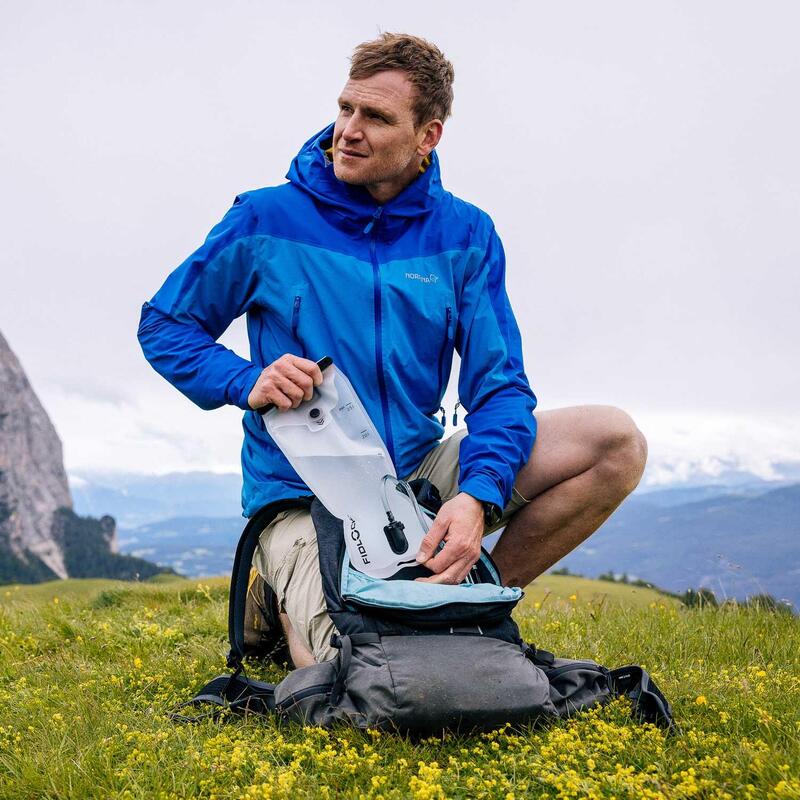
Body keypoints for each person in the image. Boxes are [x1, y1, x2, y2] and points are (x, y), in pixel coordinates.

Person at [138, 33, 647, 668]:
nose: (347, 130)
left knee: (614, 441)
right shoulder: (266, 219)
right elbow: (164, 325)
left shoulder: (467, 235)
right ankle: (283, 594)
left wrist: (478, 494)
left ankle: (469, 599)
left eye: (375, 117)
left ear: (426, 136)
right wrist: (246, 380)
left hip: (416, 474)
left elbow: (500, 388)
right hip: (301, 490)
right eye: (346, 108)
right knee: (351, 667)